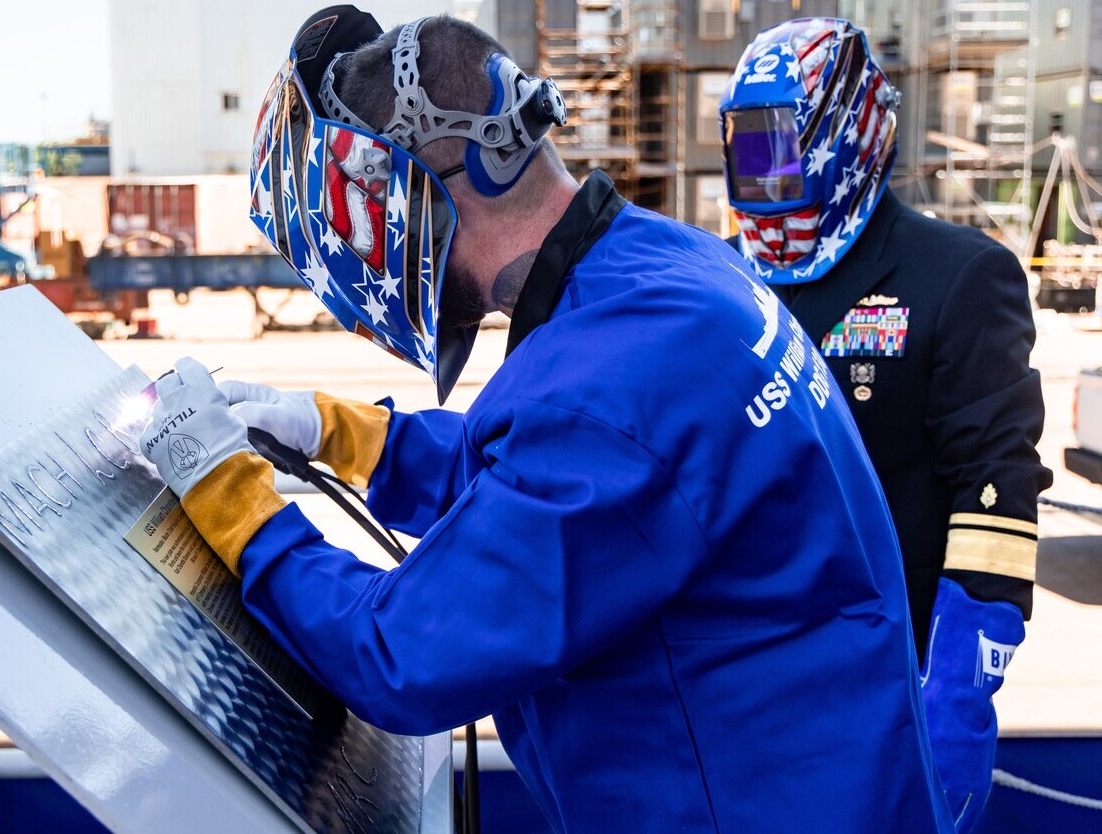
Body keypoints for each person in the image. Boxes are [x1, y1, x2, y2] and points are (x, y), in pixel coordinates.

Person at [140, 8, 953, 832]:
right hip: (829, 782)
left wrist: (232, 501)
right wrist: (339, 434)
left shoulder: (609, 393)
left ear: (435, 183)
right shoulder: (661, 266)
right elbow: (553, 481)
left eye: (368, 207)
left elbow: (400, 653)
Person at [719, 18, 1052, 833]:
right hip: (738, 699)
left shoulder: (960, 277)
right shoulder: (717, 279)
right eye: (744, 145)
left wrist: (956, 693)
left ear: (845, 133)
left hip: (879, 710)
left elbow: (996, 504)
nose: (761, 170)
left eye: (778, 143)